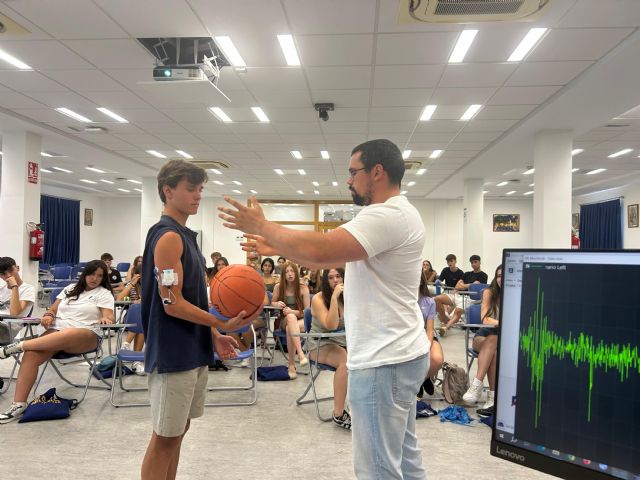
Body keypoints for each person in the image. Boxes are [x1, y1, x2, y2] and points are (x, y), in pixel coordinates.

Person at [219, 138, 429, 479]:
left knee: (378, 469)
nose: (348, 180)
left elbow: (322, 249)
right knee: (404, 458)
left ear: (377, 172)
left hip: (384, 359)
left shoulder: (387, 215)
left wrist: (262, 226)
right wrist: (277, 244)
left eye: (353, 172)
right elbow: (323, 258)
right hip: (399, 354)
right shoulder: (398, 213)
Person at [140, 160, 257, 480]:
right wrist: (221, 323)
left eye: (200, 189)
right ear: (168, 191)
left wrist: (213, 335)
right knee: (164, 438)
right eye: (190, 189)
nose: (197, 196)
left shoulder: (185, 236)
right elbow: (171, 303)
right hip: (173, 352)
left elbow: (190, 298)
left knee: (178, 432)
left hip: (192, 348)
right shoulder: (168, 237)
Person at [0, 260, 115, 423]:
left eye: (99, 276)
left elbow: (108, 315)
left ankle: (17, 346)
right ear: (85, 274)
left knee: (67, 333)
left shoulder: (103, 293)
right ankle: (18, 404)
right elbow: (53, 309)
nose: (94, 278)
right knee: (31, 354)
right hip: (58, 332)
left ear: (103, 278)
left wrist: (106, 319)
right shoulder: (70, 289)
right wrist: (49, 315)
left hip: (87, 334)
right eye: (91, 274)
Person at [308, 267, 350, 429]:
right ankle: (338, 414)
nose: (335, 281)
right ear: (325, 281)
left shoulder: (349, 296)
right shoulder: (318, 299)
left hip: (343, 342)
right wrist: (334, 298)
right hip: (319, 345)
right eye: (331, 277)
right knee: (344, 360)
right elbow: (331, 325)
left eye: (338, 276)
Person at [462, 264, 502, 417]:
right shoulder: (489, 292)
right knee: (492, 342)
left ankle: (479, 388)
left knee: (494, 350)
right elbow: (485, 319)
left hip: (504, 341)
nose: (501, 279)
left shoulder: (516, 295)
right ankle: (487, 393)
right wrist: (504, 322)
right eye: (498, 276)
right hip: (483, 336)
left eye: (504, 276)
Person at [271, 261, 310, 379]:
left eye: (292, 271)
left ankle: (291, 365)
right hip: (284, 320)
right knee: (290, 319)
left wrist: (292, 311)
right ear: (283, 274)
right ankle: (301, 353)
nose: (290, 274)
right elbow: (272, 303)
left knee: (290, 328)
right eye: (287, 271)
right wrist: (277, 303)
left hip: (302, 320)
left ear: (296, 273)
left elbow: (307, 312)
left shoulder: (303, 288)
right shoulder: (278, 287)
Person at [436, 254, 488, 336]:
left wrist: (463, 285)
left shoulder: (483, 275)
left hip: (470, 298)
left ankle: (445, 327)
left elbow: (475, 286)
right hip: (458, 295)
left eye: (475, 262)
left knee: (457, 311)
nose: (473, 264)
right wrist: (469, 285)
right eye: (472, 263)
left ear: (479, 262)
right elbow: (458, 286)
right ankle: (445, 319)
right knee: (437, 299)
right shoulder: (467, 274)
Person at [417, 270, 443, 398]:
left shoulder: (429, 302)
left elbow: (429, 329)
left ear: (421, 281)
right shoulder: (401, 301)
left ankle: (422, 380)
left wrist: (427, 345)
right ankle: (421, 380)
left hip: (426, 336)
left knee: (437, 359)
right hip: (409, 338)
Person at [116, 263, 145, 375]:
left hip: (147, 318)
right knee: (138, 311)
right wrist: (132, 283)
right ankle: (137, 361)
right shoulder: (133, 286)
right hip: (130, 317)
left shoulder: (154, 285)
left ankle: (127, 344)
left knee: (141, 318)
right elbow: (119, 299)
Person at [0, 257, 36, 344]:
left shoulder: (28, 289)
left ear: (17, 268)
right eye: (3, 273)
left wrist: (14, 287)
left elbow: (14, 313)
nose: (8, 275)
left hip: (7, 328)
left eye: (11, 270)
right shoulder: (1, 289)